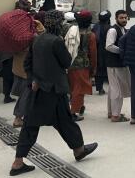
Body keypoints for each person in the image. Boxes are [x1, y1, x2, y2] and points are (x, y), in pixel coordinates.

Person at [9, 10, 98, 176]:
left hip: (40, 90)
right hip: (55, 91)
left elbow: (28, 64)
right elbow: (66, 61)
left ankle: (78, 150)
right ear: (58, 24)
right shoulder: (56, 41)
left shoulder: (36, 39)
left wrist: (33, 80)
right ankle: (18, 162)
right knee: (61, 122)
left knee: (36, 125)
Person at [11, 0, 41, 128]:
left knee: (26, 92)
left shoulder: (14, 27)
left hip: (18, 65)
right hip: (26, 68)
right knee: (26, 93)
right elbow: (39, 39)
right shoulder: (26, 30)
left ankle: (25, 115)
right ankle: (18, 118)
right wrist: (39, 27)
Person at [68, 10, 97, 121]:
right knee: (79, 90)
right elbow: (93, 53)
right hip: (82, 65)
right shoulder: (91, 35)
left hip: (70, 63)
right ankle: (73, 112)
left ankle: (79, 107)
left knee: (72, 88)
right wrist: (93, 68)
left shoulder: (70, 31)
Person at [105, 10, 131, 122]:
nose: (124, 20)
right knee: (117, 90)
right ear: (116, 19)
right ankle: (116, 115)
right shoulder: (113, 30)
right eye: (121, 18)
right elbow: (109, 46)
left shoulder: (124, 30)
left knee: (113, 88)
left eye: (125, 18)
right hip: (114, 65)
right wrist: (122, 51)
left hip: (119, 64)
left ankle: (112, 112)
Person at [92, 11, 110, 95]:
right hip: (107, 52)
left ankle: (100, 88)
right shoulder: (109, 28)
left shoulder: (95, 26)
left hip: (97, 51)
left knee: (99, 70)